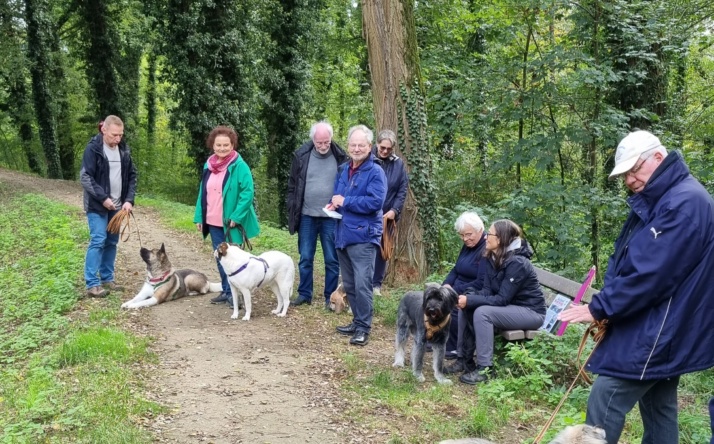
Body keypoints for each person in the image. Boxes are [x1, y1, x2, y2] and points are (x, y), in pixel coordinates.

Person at [558, 130, 714, 444]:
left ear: (658, 157)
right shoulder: (666, 199)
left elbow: (650, 276)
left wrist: (598, 308)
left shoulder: (683, 203)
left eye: (634, 169)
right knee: (659, 407)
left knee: (606, 398)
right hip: (663, 327)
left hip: (660, 330)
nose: (629, 179)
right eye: (625, 174)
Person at [457, 219, 546, 385]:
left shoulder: (518, 262)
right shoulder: (493, 256)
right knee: (467, 305)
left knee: (482, 312)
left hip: (531, 312)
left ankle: (485, 369)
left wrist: (471, 300)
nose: (485, 237)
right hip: (510, 308)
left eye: (489, 234)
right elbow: (487, 291)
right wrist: (469, 297)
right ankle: (463, 359)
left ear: (501, 239)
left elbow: (502, 298)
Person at [331, 125, 386, 346]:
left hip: (363, 236)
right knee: (350, 284)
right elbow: (338, 195)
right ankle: (356, 321)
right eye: (352, 145)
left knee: (363, 284)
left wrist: (346, 202)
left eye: (360, 145)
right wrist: (333, 204)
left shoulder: (375, 172)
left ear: (369, 147)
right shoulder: (344, 169)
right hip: (343, 233)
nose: (356, 148)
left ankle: (364, 327)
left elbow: (375, 203)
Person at [194, 126, 259, 309]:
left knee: (235, 259)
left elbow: (247, 192)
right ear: (212, 145)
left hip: (231, 222)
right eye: (218, 145)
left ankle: (237, 295)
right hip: (213, 220)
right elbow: (202, 192)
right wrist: (200, 216)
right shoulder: (209, 165)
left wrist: (237, 216)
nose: (222, 148)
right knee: (220, 257)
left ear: (232, 145)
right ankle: (226, 290)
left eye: (226, 145)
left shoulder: (240, 166)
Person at [287, 121, 348, 309]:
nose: (323, 146)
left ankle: (331, 298)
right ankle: (305, 294)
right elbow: (292, 185)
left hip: (331, 216)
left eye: (326, 142)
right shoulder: (301, 156)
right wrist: (291, 207)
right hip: (307, 215)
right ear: (313, 139)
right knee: (305, 257)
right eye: (319, 142)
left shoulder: (341, 157)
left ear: (331, 139)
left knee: (332, 259)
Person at [80, 115, 137, 297]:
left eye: (120, 135)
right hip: (97, 206)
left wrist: (129, 200)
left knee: (112, 242)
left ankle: (107, 278)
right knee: (98, 240)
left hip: (118, 207)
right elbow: (85, 177)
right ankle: (92, 284)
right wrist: (103, 198)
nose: (118, 139)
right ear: (104, 129)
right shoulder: (93, 149)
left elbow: (132, 176)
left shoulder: (124, 151)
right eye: (114, 135)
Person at [440, 212, 488, 360]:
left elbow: (481, 282)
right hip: (457, 286)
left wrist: (453, 292)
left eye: (468, 234)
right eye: (462, 235)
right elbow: (456, 268)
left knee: (454, 306)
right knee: (434, 299)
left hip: (472, 291)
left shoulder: (486, 248)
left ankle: (453, 346)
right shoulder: (467, 246)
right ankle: (439, 338)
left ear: (479, 230)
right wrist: (446, 285)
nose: (465, 239)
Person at [371, 130, 408, 296]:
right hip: (368, 213)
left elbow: (402, 190)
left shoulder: (398, 164)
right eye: (382, 147)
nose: (385, 151)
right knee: (364, 247)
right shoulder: (367, 158)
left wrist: (395, 210)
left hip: (388, 216)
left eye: (389, 149)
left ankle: (376, 285)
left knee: (383, 251)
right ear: (377, 144)